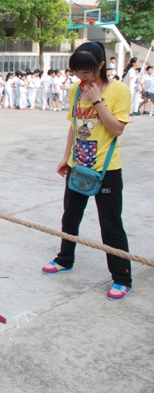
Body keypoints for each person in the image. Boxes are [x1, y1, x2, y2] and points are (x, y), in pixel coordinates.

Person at [42, 41, 132, 301]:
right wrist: (66, 158)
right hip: (78, 165)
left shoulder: (119, 91)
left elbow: (117, 129)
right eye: (76, 71)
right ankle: (65, 259)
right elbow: (74, 124)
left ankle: (122, 278)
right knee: (70, 217)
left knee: (111, 224)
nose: (81, 76)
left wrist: (97, 101)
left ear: (101, 65)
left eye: (86, 70)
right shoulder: (75, 89)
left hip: (106, 169)